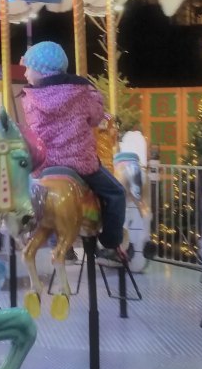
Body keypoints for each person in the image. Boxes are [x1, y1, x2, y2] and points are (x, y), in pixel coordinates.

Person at [19, 41, 128, 261]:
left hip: (46, 165)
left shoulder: (30, 99)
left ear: (42, 70)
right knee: (116, 193)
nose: (25, 74)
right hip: (81, 163)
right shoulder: (82, 92)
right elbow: (97, 118)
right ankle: (109, 243)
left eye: (28, 68)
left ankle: (50, 237)